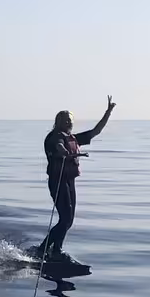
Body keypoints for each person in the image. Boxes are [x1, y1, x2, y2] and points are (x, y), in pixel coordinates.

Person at [40, 97, 114, 269]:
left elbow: (96, 131)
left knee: (68, 219)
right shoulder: (55, 137)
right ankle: (52, 251)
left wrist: (108, 112)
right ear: (58, 122)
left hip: (69, 181)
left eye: (70, 120)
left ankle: (47, 249)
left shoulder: (72, 137)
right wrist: (65, 152)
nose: (68, 122)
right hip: (57, 181)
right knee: (65, 219)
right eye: (64, 120)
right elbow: (58, 146)